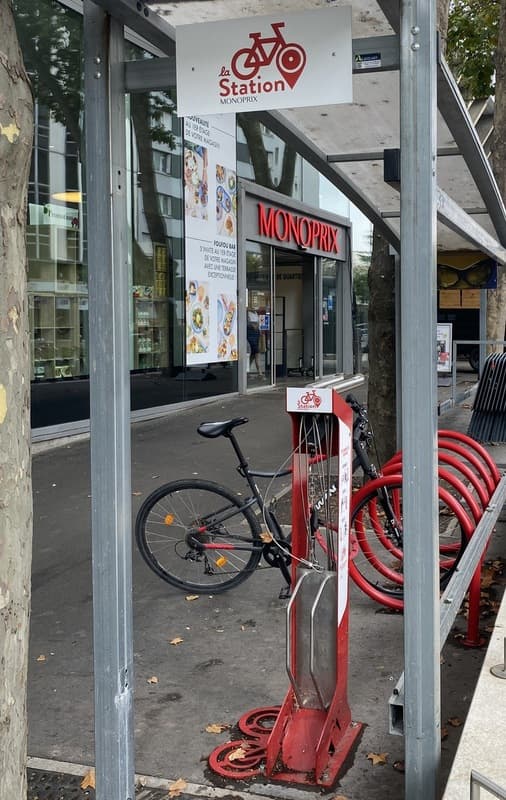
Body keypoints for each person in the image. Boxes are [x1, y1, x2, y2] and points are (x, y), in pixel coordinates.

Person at [247, 307, 263, 376]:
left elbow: (258, 324)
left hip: (255, 334)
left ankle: (246, 370)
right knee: (256, 353)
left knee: (253, 355)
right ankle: (260, 372)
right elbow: (248, 324)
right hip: (250, 334)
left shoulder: (255, 313)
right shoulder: (247, 313)